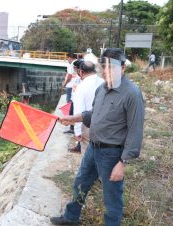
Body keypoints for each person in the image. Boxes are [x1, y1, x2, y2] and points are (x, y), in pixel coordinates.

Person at [51, 48, 145, 225]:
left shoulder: (132, 94)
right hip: (93, 148)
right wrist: (73, 118)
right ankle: (71, 218)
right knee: (80, 182)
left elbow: (135, 131)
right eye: (104, 67)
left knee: (112, 197)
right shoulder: (101, 89)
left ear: (123, 68)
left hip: (112, 154)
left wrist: (122, 163)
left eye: (112, 67)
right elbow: (94, 114)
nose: (107, 71)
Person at [69, 60, 104, 153]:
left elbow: (79, 110)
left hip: (88, 124)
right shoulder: (103, 82)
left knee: (87, 154)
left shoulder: (81, 86)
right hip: (104, 123)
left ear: (81, 72)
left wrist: (77, 131)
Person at [63, 53, 79, 134]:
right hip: (74, 89)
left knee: (71, 108)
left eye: (67, 58)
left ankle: (72, 127)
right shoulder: (77, 64)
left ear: (70, 57)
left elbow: (69, 76)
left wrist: (65, 83)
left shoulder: (72, 64)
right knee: (72, 108)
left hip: (71, 87)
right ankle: (72, 127)